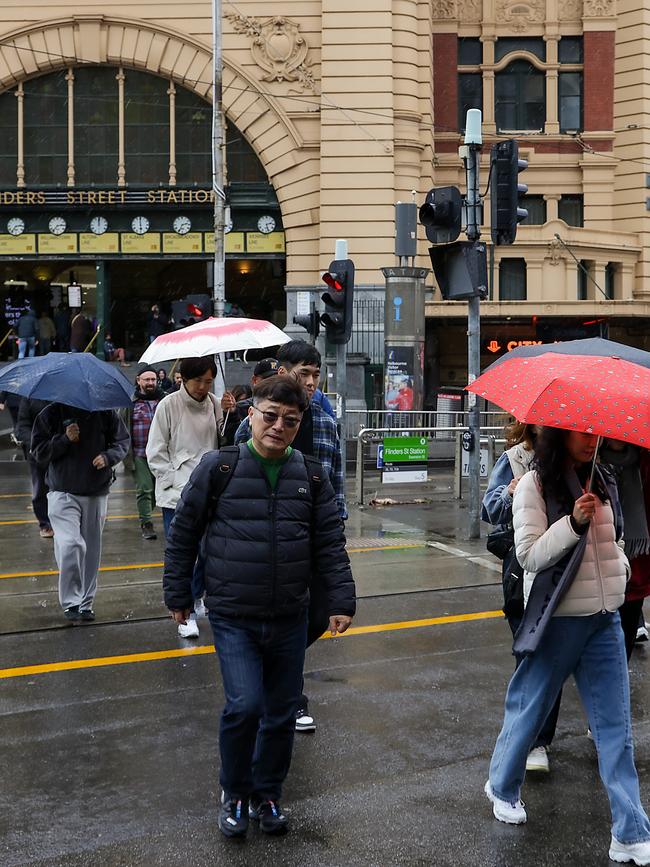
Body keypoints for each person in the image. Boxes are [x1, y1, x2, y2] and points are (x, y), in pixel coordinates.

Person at [163, 375, 356, 839]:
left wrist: (341, 599)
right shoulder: (220, 467)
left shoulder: (310, 474)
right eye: (269, 416)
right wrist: (178, 594)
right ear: (251, 414)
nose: (278, 426)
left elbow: (330, 543)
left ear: (299, 423)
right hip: (233, 615)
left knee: (281, 710)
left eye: (290, 420)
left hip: (290, 615)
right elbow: (184, 532)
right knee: (245, 706)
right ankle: (233, 791)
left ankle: (267, 794)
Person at [485, 427, 650, 867]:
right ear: (556, 435)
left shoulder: (605, 478)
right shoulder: (534, 485)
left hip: (605, 620)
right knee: (529, 712)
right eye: (580, 434)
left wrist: (617, 563)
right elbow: (530, 556)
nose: (590, 440)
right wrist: (573, 523)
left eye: (594, 433)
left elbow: (611, 540)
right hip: (556, 621)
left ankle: (630, 832)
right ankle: (502, 785)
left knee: (616, 730)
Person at [234, 340, 346, 733]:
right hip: (262, 540)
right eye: (304, 373)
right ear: (282, 372)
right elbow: (236, 475)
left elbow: (336, 483)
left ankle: (278, 680)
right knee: (279, 618)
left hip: (310, 540)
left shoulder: (327, 423)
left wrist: (338, 534)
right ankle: (291, 697)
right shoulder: (256, 419)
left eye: (316, 374)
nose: (312, 382)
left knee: (312, 618)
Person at [482, 421, 561, 774]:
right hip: (520, 570)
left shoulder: (572, 458)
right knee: (526, 654)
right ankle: (522, 737)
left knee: (552, 655)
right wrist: (511, 493)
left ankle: (539, 741)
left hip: (560, 568)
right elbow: (490, 510)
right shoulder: (514, 458)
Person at [146, 356, 223, 638]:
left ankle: (197, 595)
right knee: (182, 554)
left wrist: (228, 415)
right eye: (198, 381)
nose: (203, 387)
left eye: (208, 381)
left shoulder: (215, 403)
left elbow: (221, 443)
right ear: (183, 379)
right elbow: (155, 451)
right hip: (178, 493)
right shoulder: (168, 405)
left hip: (209, 490)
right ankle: (184, 613)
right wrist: (173, 482)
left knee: (208, 551)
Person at [31, 404, 129, 622]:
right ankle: (71, 601)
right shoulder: (50, 414)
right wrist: (64, 439)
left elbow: (123, 441)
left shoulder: (105, 413)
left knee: (91, 551)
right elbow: (38, 452)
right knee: (70, 544)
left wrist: (108, 456)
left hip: (96, 491)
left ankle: (85, 603)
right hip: (62, 492)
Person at [600, 440, 650, 661]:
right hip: (596, 569)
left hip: (635, 569)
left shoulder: (644, 461)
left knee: (623, 648)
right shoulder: (589, 458)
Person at [121, 366, 166, 540]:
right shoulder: (130, 402)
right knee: (144, 489)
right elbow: (122, 426)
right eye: (146, 380)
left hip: (162, 453)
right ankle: (146, 523)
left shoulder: (165, 400)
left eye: (153, 380)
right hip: (139, 453)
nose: (150, 383)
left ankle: (147, 511)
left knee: (156, 491)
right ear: (138, 380)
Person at [16, 397, 53, 538]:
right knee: (40, 490)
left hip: (59, 448)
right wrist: (34, 444)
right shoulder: (28, 399)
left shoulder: (61, 396)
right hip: (37, 452)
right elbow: (22, 425)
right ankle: (45, 524)